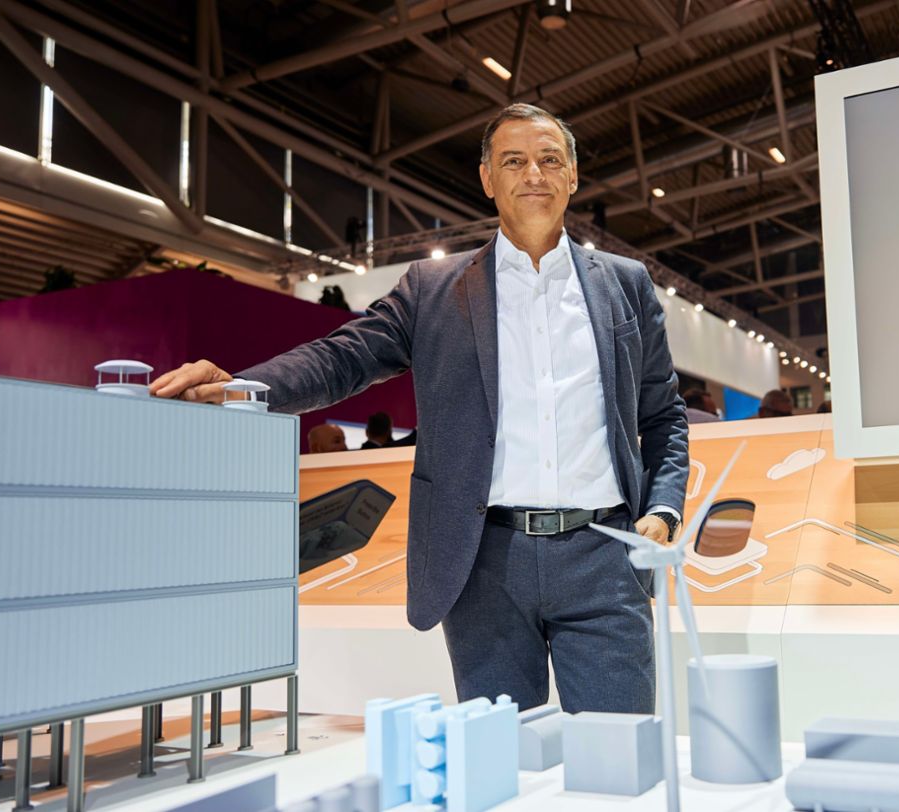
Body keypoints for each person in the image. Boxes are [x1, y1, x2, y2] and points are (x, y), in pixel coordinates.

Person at [149, 103, 689, 715]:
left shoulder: (625, 284)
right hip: (482, 564)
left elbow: (663, 415)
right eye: (514, 161)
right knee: (497, 767)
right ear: (488, 179)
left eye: (549, 159)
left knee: (619, 759)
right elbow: (342, 358)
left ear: (572, 176)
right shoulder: (434, 291)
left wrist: (665, 508)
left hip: (603, 557)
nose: (532, 173)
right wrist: (245, 388)